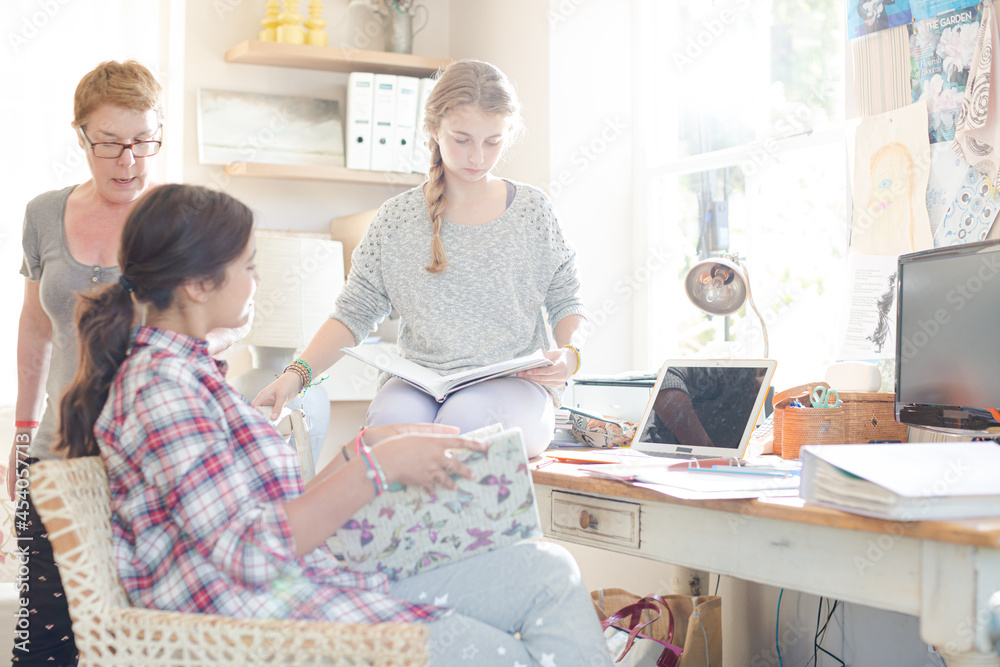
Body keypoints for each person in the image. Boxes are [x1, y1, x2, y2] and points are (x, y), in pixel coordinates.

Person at [57, 183, 613, 667]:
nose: (256, 281)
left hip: (292, 588)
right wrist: (372, 471)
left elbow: (249, 514)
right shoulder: (164, 389)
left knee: (547, 570)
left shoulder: (186, 372)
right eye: (247, 266)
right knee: (512, 653)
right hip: (260, 622)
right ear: (199, 284)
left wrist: (358, 452)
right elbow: (251, 552)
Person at [254, 60, 587, 459]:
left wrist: (571, 354)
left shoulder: (533, 210)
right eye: (462, 139)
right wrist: (296, 376)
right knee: (391, 429)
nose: (477, 157)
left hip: (515, 381)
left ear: (508, 134)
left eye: (492, 142)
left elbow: (567, 299)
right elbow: (353, 313)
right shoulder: (396, 219)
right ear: (434, 129)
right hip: (420, 383)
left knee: (467, 423)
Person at [9, 60, 164, 666]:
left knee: (125, 646)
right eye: (109, 144)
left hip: (141, 463)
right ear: (80, 137)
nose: (128, 162)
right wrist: (21, 437)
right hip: (56, 451)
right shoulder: (44, 214)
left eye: (143, 143)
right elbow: (33, 328)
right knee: (42, 640)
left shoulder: (173, 219)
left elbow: (217, 327)